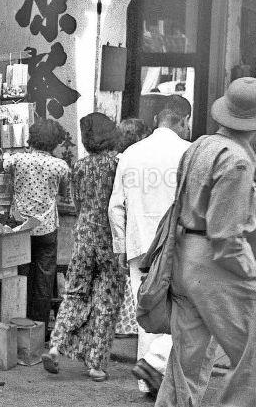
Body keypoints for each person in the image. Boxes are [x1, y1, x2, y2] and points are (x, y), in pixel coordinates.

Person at [156, 77, 256, 407]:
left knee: (187, 359)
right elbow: (226, 237)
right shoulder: (237, 160)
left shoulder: (200, 144)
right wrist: (253, 278)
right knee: (255, 356)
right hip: (212, 259)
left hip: (183, 254)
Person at [108, 108, 191, 395]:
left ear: (156, 121)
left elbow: (115, 206)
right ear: (184, 121)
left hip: (140, 244)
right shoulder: (189, 152)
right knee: (184, 310)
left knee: (147, 313)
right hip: (179, 244)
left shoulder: (131, 153)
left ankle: (147, 382)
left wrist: (120, 244)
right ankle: (161, 372)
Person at [42, 112, 124, 382]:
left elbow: (77, 203)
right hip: (111, 237)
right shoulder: (118, 163)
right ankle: (96, 364)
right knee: (106, 300)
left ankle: (56, 345)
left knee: (75, 294)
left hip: (84, 234)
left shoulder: (79, 166)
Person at [0, 118, 70, 333]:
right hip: (47, 226)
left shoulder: (17, 159)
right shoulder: (60, 166)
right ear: (54, 142)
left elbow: (3, 166)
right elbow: (63, 193)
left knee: (21, 274)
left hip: (21, 226)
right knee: (44, 276)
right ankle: (38, 326)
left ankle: (17, 321)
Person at [113, 118, 150, 338]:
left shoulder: (119, 160)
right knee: (130, 278)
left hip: (112, 224)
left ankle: (123, 322)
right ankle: (129, 323)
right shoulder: (130, 160)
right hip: (129, 223)